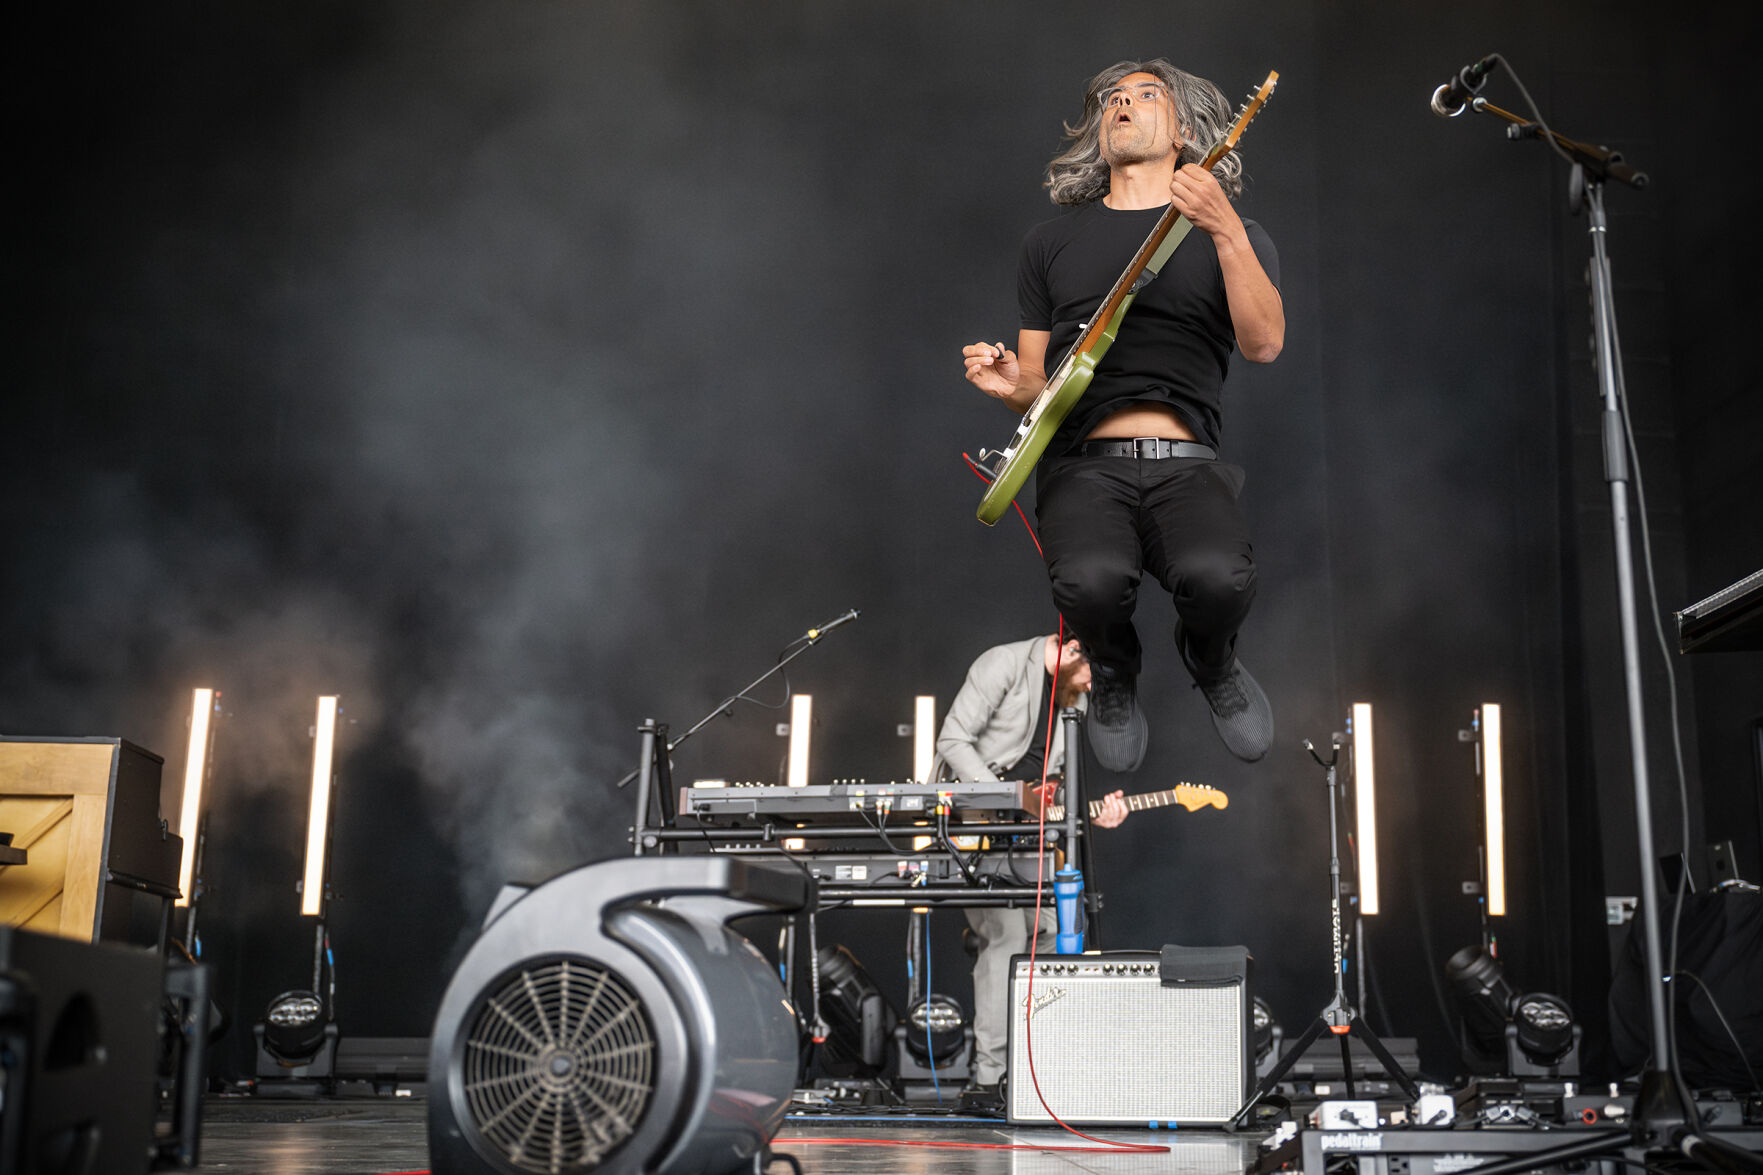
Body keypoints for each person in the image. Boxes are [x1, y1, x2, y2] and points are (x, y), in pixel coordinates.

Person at [962, 59, 1284, 771]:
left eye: (1145, 95)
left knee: (1221, 578)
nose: (1123, 105)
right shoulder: (1048, 244)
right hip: (1083, 466)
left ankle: (1212, 662)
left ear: (1188, 130)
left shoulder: (1235, 232)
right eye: (1112, 98)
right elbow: (1039, 390)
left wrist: (1224, 228)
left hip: (1186, 464)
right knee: (1088, 582)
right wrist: (1009, 383)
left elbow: (1263, 344)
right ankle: (1111, 671)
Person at [932, 632, 1130, 1105]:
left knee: (1046, 932)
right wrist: (1004, 799)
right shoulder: (1001, 664)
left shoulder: (1072, 701)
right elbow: (953, 741)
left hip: (1028, 836)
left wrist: (1092, 809)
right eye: (1088, 675)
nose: (1089, 688)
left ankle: (1033, 1067)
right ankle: (990, 1077)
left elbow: (1055, 788)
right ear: (1073, 647)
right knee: (1005, 934)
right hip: (975, 826)